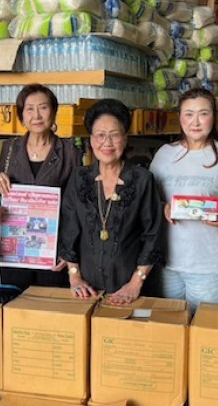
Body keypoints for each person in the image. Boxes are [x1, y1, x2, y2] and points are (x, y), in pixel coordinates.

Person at [58, 99, 163, 305]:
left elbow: (152, 235)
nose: (107, 143)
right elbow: (69, 230)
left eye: (114, 135)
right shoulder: (79, 178)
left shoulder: (142, 179)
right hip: (86, 288)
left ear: (125, 139)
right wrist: (74, 276)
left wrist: (135, 283)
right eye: (100, 135)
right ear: (91, 139)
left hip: (132, 288)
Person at [149, 88, 218, 313]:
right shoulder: (164, 155)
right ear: (180, 117)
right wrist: (163, 207)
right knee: (171, 327)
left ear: (213, 117)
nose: (196, 122)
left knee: (207, 328)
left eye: (203, 113)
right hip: (167, 263)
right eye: (189, 114)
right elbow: (148, 201)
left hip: (209, 266)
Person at [0, 84, 81, 290]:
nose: (36, 115)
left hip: (53, 248)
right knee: (15, 301)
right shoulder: (10, 148)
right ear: (21, 116)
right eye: (29, 109)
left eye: (43, 108)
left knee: (49, 302)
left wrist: (69, 251)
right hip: (15, 248)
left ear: (54, 112)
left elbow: (77, 205)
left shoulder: (70, 152)